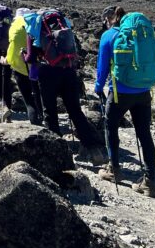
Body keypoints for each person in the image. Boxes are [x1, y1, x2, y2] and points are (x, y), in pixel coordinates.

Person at [27, 8, 107, 165]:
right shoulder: (64, 25)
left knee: (50, 112)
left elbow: (30, 56)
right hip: (68, 71)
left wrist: (26, 56)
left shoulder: (35, 26)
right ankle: (94, 150)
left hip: (48, 72)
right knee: (75, 111)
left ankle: (57, 156)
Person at [95, 6, 155, 196]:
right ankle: (149, 182)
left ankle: (113, 170)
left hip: (119, 92)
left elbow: (102, 67)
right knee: (144, 135)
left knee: (111, 127)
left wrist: (99, 87)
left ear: (110, 19)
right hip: (144, 91)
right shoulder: (141, 34)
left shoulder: (109, 36)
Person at [6, 8, 43, 125]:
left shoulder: (14, 25)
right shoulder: (36, 24)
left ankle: (34, 121)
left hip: (19, 66)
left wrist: (8, 60)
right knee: (37, 93)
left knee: (27, 97)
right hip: (37, 66)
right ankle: (42, 117)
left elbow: (11, 45)